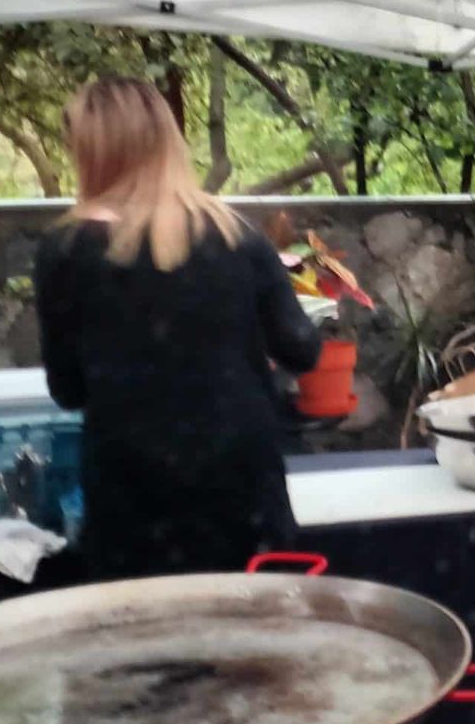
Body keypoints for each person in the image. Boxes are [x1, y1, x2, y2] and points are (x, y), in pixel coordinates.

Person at [35, 77, 323, 579]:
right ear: (168, 144)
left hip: (132, 496)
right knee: (255, 620)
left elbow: (68, 390)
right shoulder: (238, 235)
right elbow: (301, 349)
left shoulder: (64, 250)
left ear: (91, 152)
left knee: (147, 624)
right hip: (242, 487)